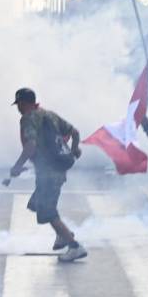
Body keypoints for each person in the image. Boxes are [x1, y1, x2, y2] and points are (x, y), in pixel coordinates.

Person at [9, 88, 87, 262]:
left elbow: (30, 146)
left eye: (19, 104)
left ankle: (75, 246)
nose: (18, 108)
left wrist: (16, 167)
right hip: (58, 170)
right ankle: (62, 235)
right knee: (37, 204)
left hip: (49, 172)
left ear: (24, 103)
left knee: (47, 211)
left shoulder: (28, 119)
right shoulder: (48, 114)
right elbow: (75, 132)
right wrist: (74, 150)